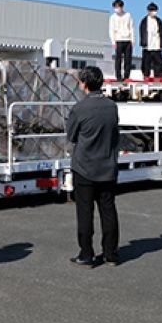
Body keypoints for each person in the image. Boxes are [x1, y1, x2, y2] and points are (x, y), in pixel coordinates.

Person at [66, 66, 120, 268]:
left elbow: (71, 136)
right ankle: (110, 253)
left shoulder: (79, 108)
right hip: (107, 165)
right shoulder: (111, 106)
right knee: (108, 210)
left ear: (84, 84)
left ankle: (86, 253)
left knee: (85, 212)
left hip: (84, 167)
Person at [109, 0, 134, 81]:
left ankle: (127, 76)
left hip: (127, 40)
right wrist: (113, 41)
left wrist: (132, 40)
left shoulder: (128, 15)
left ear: (122, 7)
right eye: (115, 7)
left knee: (128, 59)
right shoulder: (112, 17)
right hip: (118, 40)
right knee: (118, 59)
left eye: (118, 6)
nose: (117, 9)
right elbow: (111, 30)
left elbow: (131, 28)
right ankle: (118, 76)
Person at [139, 2, 162, 78]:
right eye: (152, 10)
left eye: (155, 10)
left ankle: (158, 77)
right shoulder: (144, 21)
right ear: (148, 11)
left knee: (158, 62)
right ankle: (146, 76)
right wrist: (143, 43)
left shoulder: (159, 21)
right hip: (147, 46)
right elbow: (142, 32)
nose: (154, 12)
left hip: (157, 45)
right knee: (146, 63)